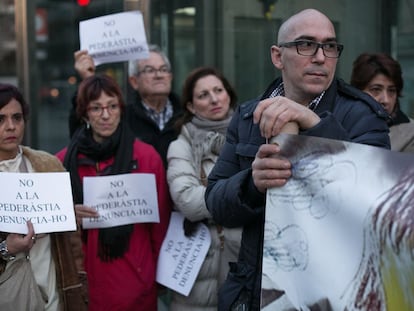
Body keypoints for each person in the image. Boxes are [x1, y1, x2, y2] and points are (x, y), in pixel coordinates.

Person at [204, 8, 390, 311]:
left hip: (333, 291)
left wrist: (313, 124)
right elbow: (216, 202)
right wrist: (252, 184)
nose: (320, 57)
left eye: (329, 46)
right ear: (278, 57)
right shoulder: (250, 116)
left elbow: (373, 206)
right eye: (306, 44)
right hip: (258, 291)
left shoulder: (363, 116)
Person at [56, 74, 171, 311]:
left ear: (121, 109)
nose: (106, 115)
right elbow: (48, 226)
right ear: (84, 113)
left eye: (112, 106)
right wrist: (66, 214)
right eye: (96, 108)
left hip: (135, 282)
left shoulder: (147, 157)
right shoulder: (61, 162)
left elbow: (161, 226)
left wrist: (158, 277)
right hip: (84, 281)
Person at [0, 83, 88, 311]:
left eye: (17, 118)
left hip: (54, 291)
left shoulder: (48, 165)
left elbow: (72, 244)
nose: (10, 127)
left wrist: (67, 214)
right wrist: (5, 248)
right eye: (0, 119)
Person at [166, 67, 242, 310]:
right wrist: (243, 194)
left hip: (243, 258)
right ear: (190, 106)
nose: (214, 99)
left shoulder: (251, 134)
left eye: (218, 90)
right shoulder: (181, 145)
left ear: (228, 94)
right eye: (203, 95)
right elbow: (188, 200)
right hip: (198, 267)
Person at [71, 44, 182, 166]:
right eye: (150, 70)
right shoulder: (121, 116)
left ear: (170, 77)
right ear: (134, 81)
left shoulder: (188, 113)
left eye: (163, 69)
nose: (159, 75)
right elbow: (84, 137)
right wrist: (88, 80)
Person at [350, 52, 414, 152]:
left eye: (391, 91)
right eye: (376, 89)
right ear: (358, 92)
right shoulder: (342, 123)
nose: (385, 100)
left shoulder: (410, 134)